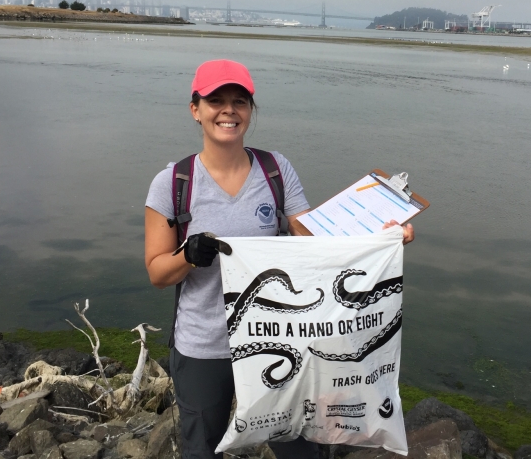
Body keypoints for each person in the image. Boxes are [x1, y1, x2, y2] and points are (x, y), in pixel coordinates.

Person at [144, 59, 414, 459]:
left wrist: (382, 239)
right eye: (215, 100)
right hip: (204, 348)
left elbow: (314, 240)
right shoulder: (173, 183)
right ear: (195, 109)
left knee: (300, 448)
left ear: (250, 110)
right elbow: (157, 272)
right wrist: (189, 254)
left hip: (280, 341)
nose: (228, 111)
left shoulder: (275, 170)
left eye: (240, 101)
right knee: (201, 449)